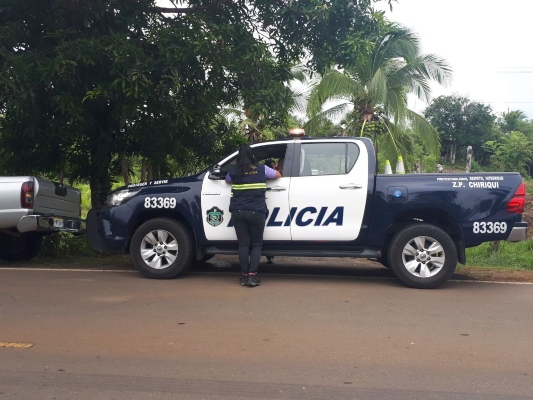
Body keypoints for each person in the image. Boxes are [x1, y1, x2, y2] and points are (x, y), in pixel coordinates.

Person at [226, 144, 281, 287]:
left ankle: (244, 276)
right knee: (256, 244)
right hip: (256, 211)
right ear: (252, 155)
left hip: (238, 212)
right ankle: (252, 276)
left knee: (243, 244)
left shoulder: (234, 170)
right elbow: (277, 175)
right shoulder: (262, 168)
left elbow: (227, 180)